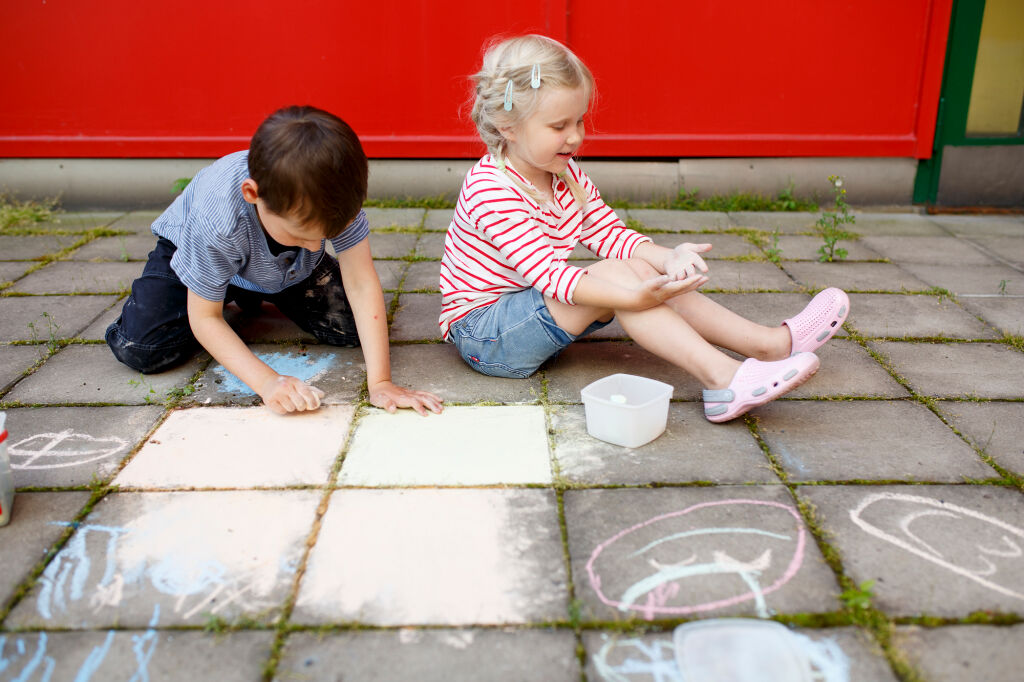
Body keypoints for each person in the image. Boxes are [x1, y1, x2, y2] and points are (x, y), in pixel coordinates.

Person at [439, 35, 848, 423]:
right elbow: (548, 275)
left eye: (580, 121)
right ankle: (723, 380)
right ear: (508, 128)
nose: (576, 137)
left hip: (532, 312)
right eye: (559, 126)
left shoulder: (563, 173)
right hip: (486, 336)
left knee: (635, 271)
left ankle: (771, 346)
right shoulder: (491, 187)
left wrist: (667, 258)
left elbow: (612, 236)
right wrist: (631, 295)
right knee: (621, 278)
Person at [107, 105, 442, 416]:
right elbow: (204, 317)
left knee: (354, 328)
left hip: (281, 266)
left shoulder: (331, 198)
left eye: (324, 236)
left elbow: (361, 282)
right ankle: (224, 289)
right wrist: (267, 381)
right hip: (192, 252)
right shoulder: (218, 221)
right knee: (144, 348)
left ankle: (252, 289)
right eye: (303, 234)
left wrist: (380, 383)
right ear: (253, 194)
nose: (314, 245)